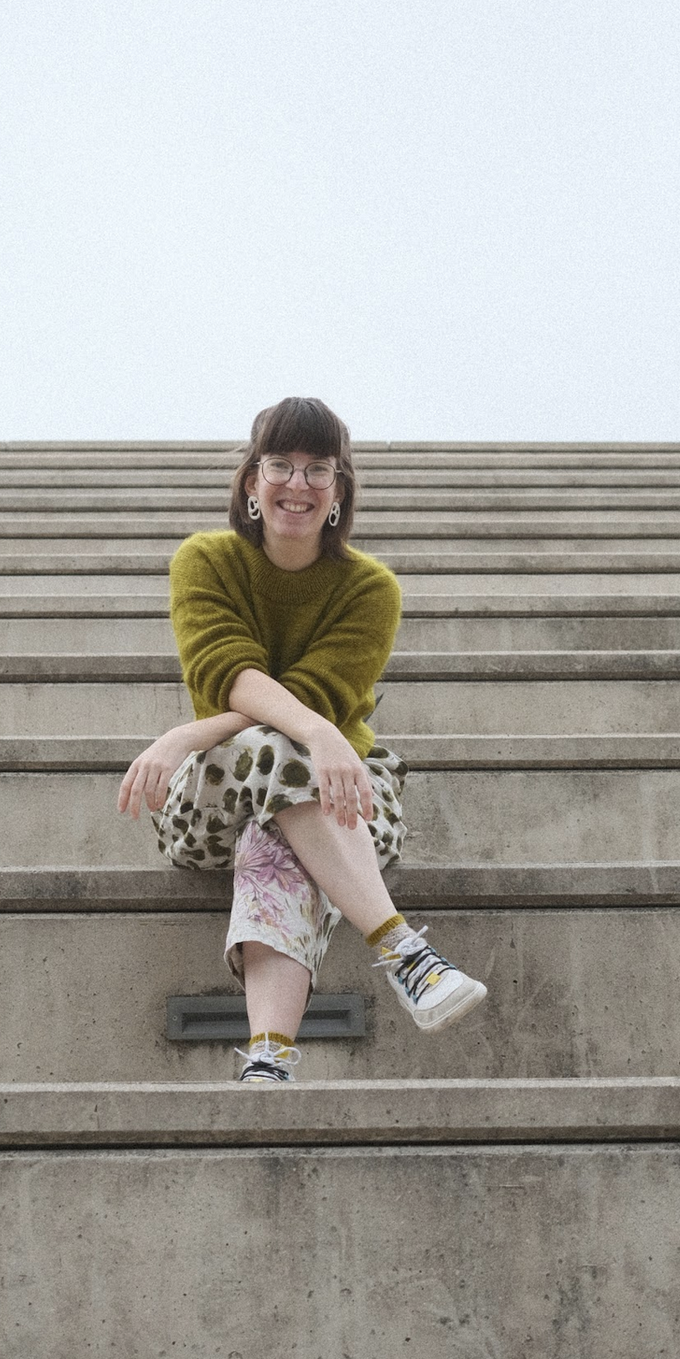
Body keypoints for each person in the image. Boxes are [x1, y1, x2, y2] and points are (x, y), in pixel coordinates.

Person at [117, 396, 487, 1083]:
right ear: (252, 483)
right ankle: (405, 952)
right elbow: (227, 670)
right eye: (280, 465)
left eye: (319, 470)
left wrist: (191, 729)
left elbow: (314, 698)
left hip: (345, 799)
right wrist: (305, 730)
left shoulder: (370, 589)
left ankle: (268, 1057)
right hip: (210, 803)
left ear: (340, 491)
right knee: (283, 755)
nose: (298, 484)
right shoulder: (206, 561)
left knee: (279, 829)